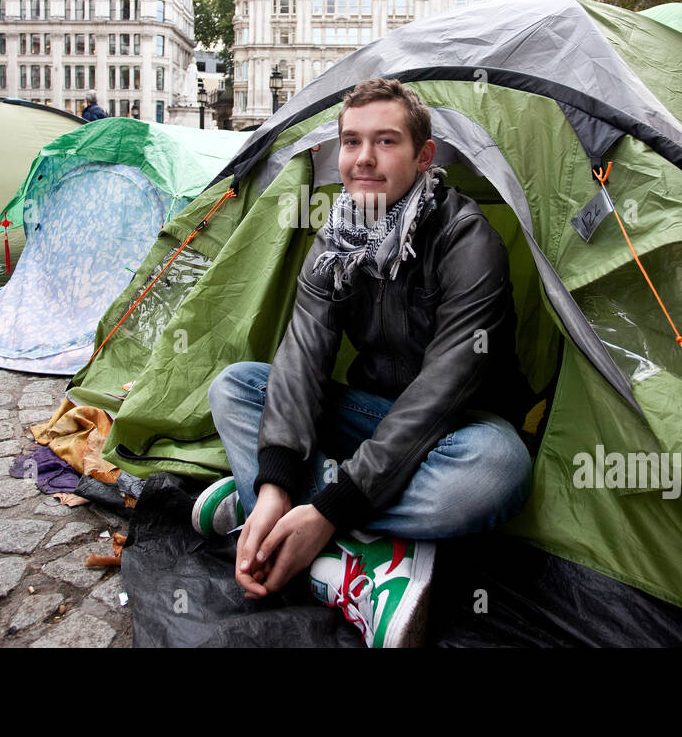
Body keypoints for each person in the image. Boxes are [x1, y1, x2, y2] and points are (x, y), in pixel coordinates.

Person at [202, 77, 533, 648]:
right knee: (236, 386)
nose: (364, 159)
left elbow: (441, 393)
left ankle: (271, 516)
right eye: (351, 142)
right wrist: (281, 478)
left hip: (454, 430)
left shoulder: (466, 239)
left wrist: (331, 507)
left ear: (422, 155)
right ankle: (325, 541)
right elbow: (302, 356)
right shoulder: (335, 238)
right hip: (371, 415)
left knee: (500, 469)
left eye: (385, 142)